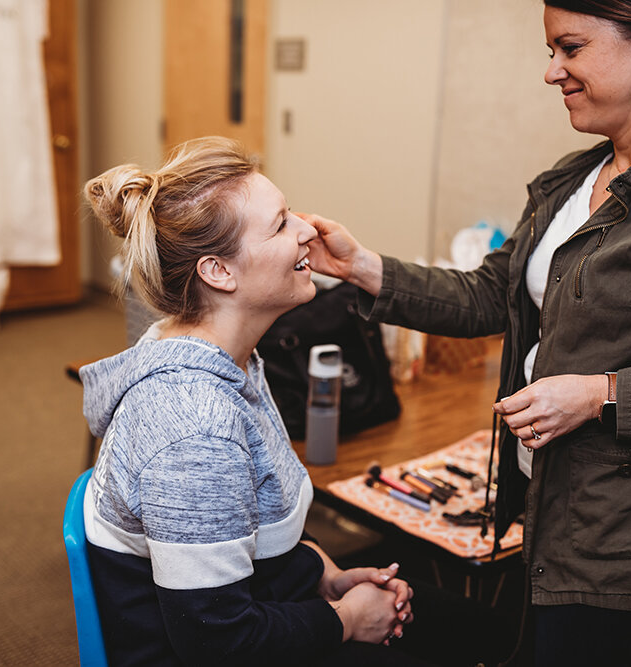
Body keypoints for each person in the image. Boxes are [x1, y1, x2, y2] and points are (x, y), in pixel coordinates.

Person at [303, 1, 631, 665]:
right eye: (552, 50)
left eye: (570, 48)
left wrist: (600, 394)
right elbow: (493, 293)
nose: (552, 72)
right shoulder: (578, 176)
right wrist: (363, 267)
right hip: (559, 511)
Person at [79, 136, 423, 666]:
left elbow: (247, 526)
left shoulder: (222, 356)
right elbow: (218, 640)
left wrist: (324, 575)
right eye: (282, 222)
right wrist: (348, 619)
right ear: (219, 271)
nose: (309, 229)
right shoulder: (194, 428)